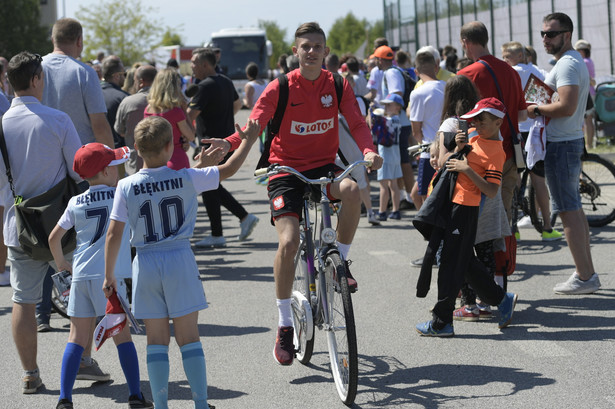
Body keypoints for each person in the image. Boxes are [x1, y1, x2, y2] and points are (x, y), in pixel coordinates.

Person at [220, 22, 382, 366]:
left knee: (352, 189)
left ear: (326, 51)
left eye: (317, 46)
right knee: (289, 242)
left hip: (323, 166)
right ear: (296, 51)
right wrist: (229, 143)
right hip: (284, 169)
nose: (311, 51)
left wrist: (368, 151)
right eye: (305, 46)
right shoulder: (280, 86)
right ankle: (283, 325)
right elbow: (255, 125)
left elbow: (356, 123)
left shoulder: (337, 84)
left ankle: (340, 260)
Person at [104, 115, 259, 409]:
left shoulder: (126, 186)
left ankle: (161, 405)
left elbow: (114, 233)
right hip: (179, 258)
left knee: (156, 340)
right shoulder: (186, 176)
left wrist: (109, 274)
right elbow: (228, 169)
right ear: (169, 146)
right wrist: (248, 140)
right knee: (189, 336)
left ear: (136, 147)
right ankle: (201, 403)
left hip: (146, 262)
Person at [0, 51, 82, 394]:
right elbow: (79, 171)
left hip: (19, 227)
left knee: (23, 301)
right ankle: (84, 359)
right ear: (35, 80)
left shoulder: (2, 125)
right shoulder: (58, 120)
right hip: (61, 226)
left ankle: (30, 373)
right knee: (81, 295)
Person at [48, 143, 153, 409]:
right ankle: (135, 395)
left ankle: (64, 399)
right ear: (106, 171)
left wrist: (62, 263)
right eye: (115, 166)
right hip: (110, 278)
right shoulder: (122, 195)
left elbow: (54, 238)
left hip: (81, 275)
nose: (118, 170)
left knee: (76, 337)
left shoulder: (75, 201)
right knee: (123, 336)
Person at [415, 98, 518, 336]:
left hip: (465, 209)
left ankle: (442, 322)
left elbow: (492, 191)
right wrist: (459, 148)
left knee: (452, 265)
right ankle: (501, 299)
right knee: (460, 261)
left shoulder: (497, 152)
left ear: (498, 122)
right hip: (450, 203)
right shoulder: (473, 135)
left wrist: (467, 169)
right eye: (474, 119)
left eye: (482, 120)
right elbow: (449, 161)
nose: (476, 124)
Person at [527, 12, 600, 295]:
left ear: (566, 35)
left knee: (568, 213)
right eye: (543, 33)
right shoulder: (569, 62)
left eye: (551, 34)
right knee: (574, 211)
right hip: (566, 142)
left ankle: (585, 277)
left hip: (562, 144)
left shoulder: (568, 64)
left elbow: (567, 106)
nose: (545, 38)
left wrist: (535, 108)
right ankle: (587, 273)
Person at [187, 48, 259, 247]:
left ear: (205, 65)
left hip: (210, 143)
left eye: (194, 62)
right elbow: (237, 105)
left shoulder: (204, 86)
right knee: (210, 185)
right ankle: (227, 228)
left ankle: (237, 221)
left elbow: (189, 116)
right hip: (226, 140)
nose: (191, 66)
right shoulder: (226, 81)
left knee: (208, 184)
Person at [457, 21, 528, 222]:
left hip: (480, 157)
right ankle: (505, 252)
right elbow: (522, 116)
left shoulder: (466, 75)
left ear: (465, 42)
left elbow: (458, 120)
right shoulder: (511, 72)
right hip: (508, 154)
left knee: (479, 222)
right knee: (504, 218)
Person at [500, 41, 562, 241]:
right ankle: (547, 227)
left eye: (505, 57)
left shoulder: (510, 73)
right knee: (539, 180)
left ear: (514, 57)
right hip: (536, 132)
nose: (503, 61)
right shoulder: (539, 70)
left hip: (516, 131)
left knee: (513, 179)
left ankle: (513, 228)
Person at [42, 18, 114, 148]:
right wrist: (111, 161)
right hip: (81, 158)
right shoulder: (85, 73)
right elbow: (100, 126)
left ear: (53, 40)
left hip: (44, 154)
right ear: (79, 41)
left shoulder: (35, 69)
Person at [408, 51, 445, 210]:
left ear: (416, 72)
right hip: (447, 147)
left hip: (429, 151)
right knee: (417, 194)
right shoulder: (447, 86)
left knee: (426, 197)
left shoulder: (418, 93)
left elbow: (416, 130)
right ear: (436, 67)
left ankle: (432, 233)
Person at [144, 68, 195, 170]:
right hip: (175, 159)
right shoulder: (175, 112)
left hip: (154, 161)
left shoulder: (148, 110)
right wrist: (185, 110)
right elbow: (191, 135)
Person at [115, 65, 157, 175]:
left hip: (135, 165)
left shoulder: (128, 102)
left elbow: (120, 131)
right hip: (163, 164)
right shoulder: (166, 102)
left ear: (141, 81)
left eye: (135, 80)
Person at [374, 94, 403, 221]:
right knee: (394, 184)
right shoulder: (398, 120)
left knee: (383, 185)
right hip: (396, 155)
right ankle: (396, 210)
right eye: (385, 104)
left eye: (389, 105)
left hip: (385, 156)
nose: (385, 107)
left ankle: (382, 211)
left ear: (398, 107)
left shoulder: (386, 120)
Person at [100, 56, 129, 150]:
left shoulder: (92, 95)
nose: (125, 77)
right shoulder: (124, 98)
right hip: (119, 154)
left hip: (97, 152)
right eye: (124, 74)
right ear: (117, 76)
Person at [574, 39, 596, 150]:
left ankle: (588, 144)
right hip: (590, 92)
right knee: (588, 120)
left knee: (586, 120)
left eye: (578, 50)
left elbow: (585, 77)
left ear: (583, 51)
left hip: (587, 93)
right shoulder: (589, 61)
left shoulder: (585, 62)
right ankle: (589, 144)